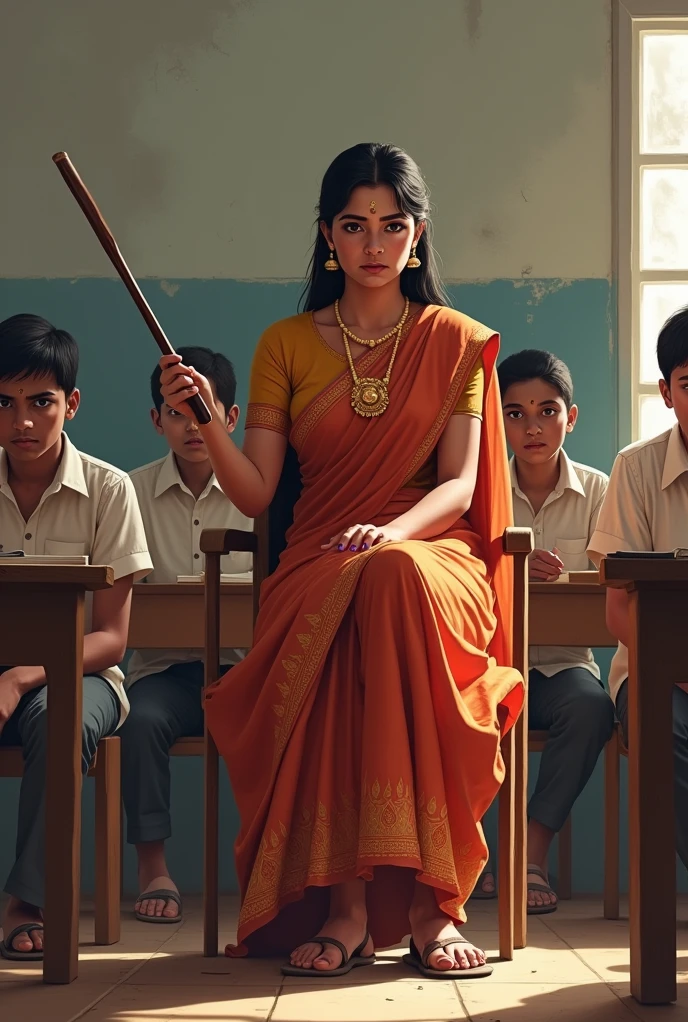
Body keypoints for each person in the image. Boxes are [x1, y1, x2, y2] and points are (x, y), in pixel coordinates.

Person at [159, 143, 524, 980]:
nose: (373, 244)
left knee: (389, 577)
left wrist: (396, 533)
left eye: (392, 226)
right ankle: (347, 904)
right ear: (327, 234)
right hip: (321, 558)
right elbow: (255, 494)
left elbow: (462, 485)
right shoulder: (285, 343)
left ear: (418, 236)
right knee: (360, 587)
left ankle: (435, 907)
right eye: (354, 226)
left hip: (433, 554)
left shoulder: (456, 341)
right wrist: (209, 419)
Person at [0, 314, 151, 961]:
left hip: (82, 680)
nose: (23, 422)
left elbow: (112, 639)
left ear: (72, 404)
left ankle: (29, 903)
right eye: (4, 403)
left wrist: (20, 674)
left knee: (57, 715)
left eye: (41, 402)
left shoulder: (109, 490)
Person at [472, 350, 613, 912]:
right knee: (437, 704)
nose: (532, 427)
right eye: (514, 413)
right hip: (488, 665)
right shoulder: (479, 493)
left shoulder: (601, 490)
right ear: (496, 420)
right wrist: (509, 568)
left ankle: (531, 856)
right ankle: (473, 856)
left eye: (547, 410)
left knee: (593, 708)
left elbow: (613, 579)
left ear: (570, 417)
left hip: (563, 667)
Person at [122, 347, 252, 924]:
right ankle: (155, 868)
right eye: (177, 412)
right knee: (140, 719)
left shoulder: (258, 493)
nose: (192, 425)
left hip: (246, 668)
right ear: (156, 420)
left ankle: (271, 866)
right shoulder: (127, 493)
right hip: (165, 673)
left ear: (231, 418)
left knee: (294, 713)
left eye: (204, 410)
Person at [588, 306, 688, 869]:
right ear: (667, 392)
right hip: (657, 672)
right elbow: (620, 610)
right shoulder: (638, 469)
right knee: (666, 725)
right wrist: (681, 670)